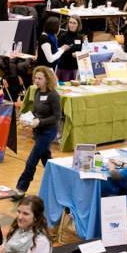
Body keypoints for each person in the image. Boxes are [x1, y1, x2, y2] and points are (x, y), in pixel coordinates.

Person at [14, 67, 62, 196]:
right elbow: (36, 111)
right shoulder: (37, 92)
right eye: (35, 78)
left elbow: (57, 117)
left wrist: (39, 122)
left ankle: (21, 188)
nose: (36, 81)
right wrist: (27, 119)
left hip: (48, 132)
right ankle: (59, 184)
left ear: (47, 79)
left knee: (32, 160)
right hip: (37, 131)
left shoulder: (54, 96)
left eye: (40, 78)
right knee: (47, 160)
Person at [57, 15, 85, 82]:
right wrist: (71, 55)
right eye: (70, 22)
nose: (71, 25)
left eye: (74, 23)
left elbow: (82, 51)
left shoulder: (80, 37)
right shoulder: (63, 36)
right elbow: (57, 52)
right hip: (64, 68)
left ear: (78, 25)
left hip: (75, 68)